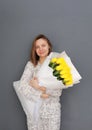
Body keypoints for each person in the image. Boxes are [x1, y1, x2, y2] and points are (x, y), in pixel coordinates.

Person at [13, 34, 62, 130]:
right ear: (34, 50)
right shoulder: (31, 65)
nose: (41, 49)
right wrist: (39, 94)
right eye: (37, 47)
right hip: (34, 111)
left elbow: (57, 92)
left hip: (52, 112)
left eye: (43, 45)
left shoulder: (56, 64)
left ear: (49, 46)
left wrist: (37, 86)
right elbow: (22, 86)